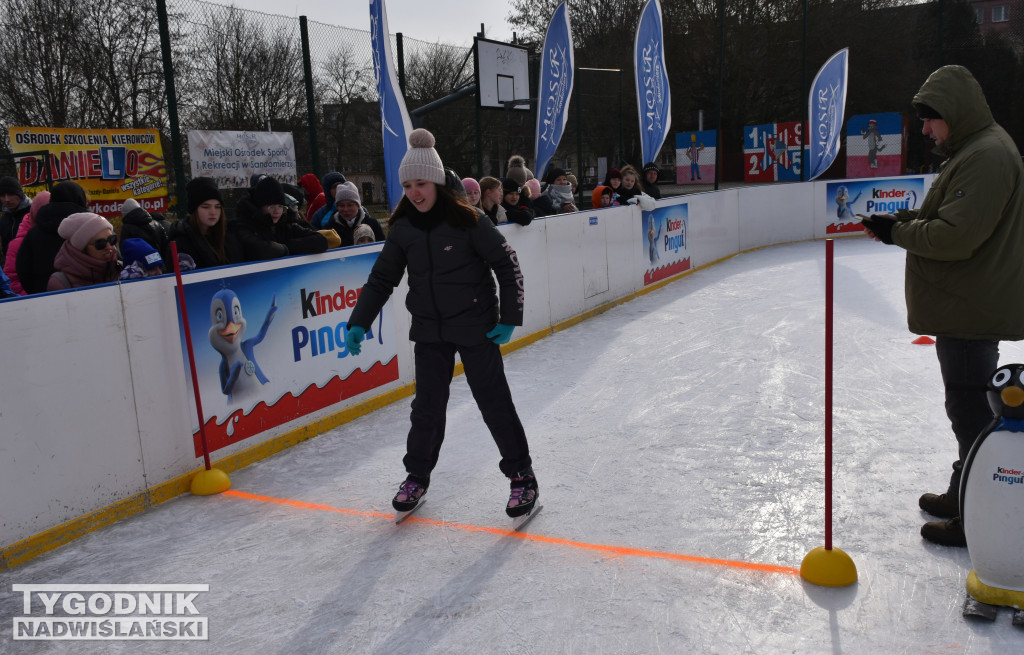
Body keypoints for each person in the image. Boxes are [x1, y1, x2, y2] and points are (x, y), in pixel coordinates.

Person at [860, 65, 1024, 548]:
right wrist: (902, 219)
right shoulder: (972, 152)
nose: (926, 129)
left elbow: (956, 236)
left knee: (973, 412)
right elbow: (943, 215)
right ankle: (964, 491)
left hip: (972, 305)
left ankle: (977, 512)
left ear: (954, 113)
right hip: (965, 302)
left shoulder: (988, 156)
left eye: (931, 119)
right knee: (966, 408)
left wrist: (897, 233)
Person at [344, 128, 538, 519]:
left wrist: (509, 318)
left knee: (493, 402)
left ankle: (522, 477)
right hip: (430, 330)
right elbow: (383, 278)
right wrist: (359, 321)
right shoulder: (403, 229)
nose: (415, 192)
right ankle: (417, 476)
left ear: (435, 181)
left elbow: (507, 263)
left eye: (421, 183)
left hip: (476, 326)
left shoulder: (469, 220)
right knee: (427, 409)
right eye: (408, 185)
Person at [230, 176, 336, 262]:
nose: (276, 211)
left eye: (280, 206)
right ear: (259, 207)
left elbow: (321, 241)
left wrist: (288, 246)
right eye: (271, 207)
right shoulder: (245, 226)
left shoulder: (286, 224)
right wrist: (285, 248)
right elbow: (259, 250)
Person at [16, 180, 88, 295]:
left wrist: (37, 292)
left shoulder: (34, 232)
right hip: (91, 293)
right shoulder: (92, 227)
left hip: (44, 298)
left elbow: (23, 268)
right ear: (81, 199)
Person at [169, 177, 239, 269]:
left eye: (217, 207)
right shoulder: (181, 243)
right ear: (194, 209)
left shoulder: (229, 236)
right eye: (205, 207)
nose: (213, 212)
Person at [47, 212, 121, 290]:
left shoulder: (123, 270)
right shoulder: (61, 283)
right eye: (100, 243)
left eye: (112, 239)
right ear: (81, 249)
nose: (109, 247)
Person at [3, 190, 49, 295]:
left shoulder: (59, 236)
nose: (6, 199)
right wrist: (30, 298)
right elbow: (11, 279)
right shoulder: (17, 244)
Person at [324, 181, 385, 247]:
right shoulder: (330, 229)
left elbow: (383, 248)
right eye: (341, 205)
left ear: (358, 205)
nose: (346, 209)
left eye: (350, 205)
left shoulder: (372, 224)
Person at [119, 198, 171, 264]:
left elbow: (124, 250)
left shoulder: (127, 228)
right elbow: (166, 246)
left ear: (124, 215)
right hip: (161, 264)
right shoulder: (156, 223)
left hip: (141, 267)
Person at [0, 176, 31, 260]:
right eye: (2, 195)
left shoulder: (33, 214)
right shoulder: (4, 219)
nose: (7, 199)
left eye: (10, 194)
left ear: (19, 194)